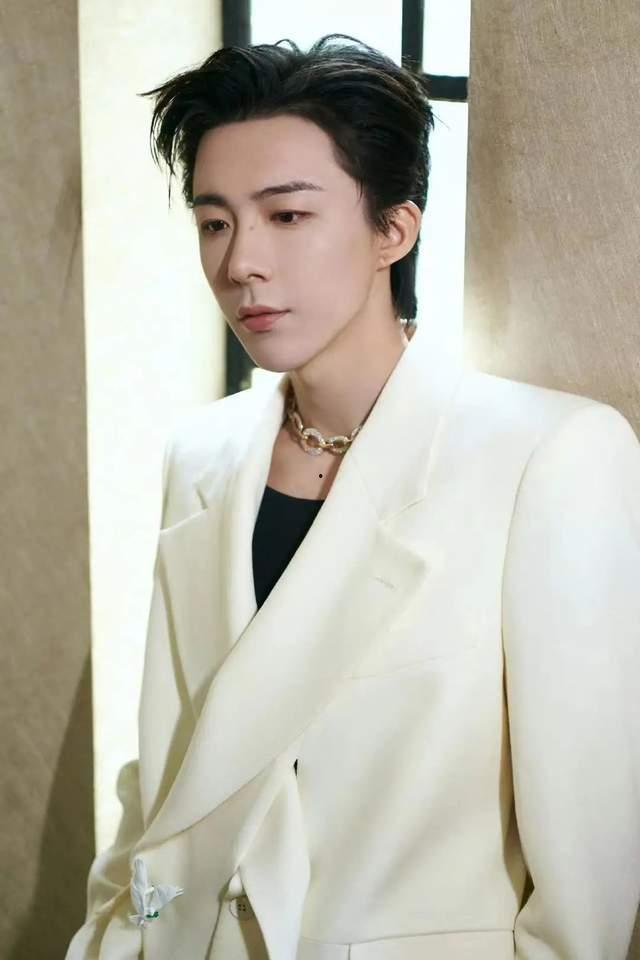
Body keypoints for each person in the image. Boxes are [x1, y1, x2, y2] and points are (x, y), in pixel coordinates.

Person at [65, 34, 640, 960]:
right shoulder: (201, 453)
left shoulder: (549, 456)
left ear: (393, 230)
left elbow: (588, 879)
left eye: (287, 215)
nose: (241, 262)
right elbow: (170, 769)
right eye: (215, 223)